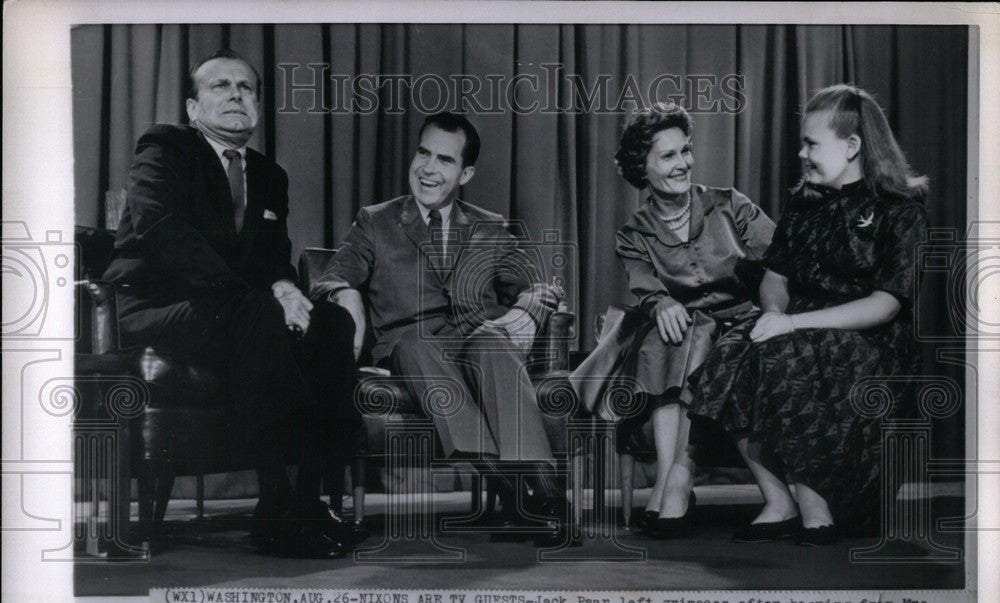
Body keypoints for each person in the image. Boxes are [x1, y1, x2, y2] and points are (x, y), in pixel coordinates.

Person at [104, 49, 359, 559]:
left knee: (329, 321)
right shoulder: (165, 146)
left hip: (234, 313)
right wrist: (260, 298)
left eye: (246, 87)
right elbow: (163, 232)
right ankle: (276, 504)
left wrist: (288, 289)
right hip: (159, 307)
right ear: (193, 108)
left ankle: (306, 503)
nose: (236, 94)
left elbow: (273, 258)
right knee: (261, 315)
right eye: (220, 86)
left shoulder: (269, 175)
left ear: (258, 108)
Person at [688, 84, 928, 545]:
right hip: (798, 322)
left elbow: (887, 303)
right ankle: (778, 501)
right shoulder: (805, 202)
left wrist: (793, 324)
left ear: (852, 146)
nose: (801, 153)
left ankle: (817, 509)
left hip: (869, 337)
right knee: (732, 351)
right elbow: (775, 276)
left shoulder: (900, 210)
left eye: (811, 144)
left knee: (785, 354)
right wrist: (774, 313)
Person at [311, 112, 566, 544]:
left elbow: (540, 287)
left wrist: (527, 310)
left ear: (465, 172)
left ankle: (549, 497)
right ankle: (514, 497)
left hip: (477, 346)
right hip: (411, 351)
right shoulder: (376, 221)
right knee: (416, 345)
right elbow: (328, 279)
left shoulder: (490, 226)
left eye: (444, 160)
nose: (428, 168)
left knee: (489, 341)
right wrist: (345, 295)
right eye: (423, 153)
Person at [570, 102, 774, 538]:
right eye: (667, 156)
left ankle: (669, 487)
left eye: (685, 151)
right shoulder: (634, 232)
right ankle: (672, 481)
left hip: (744, 326)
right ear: (641, 168)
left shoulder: (728, 204)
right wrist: (661, 303)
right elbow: (647, 289)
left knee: (686, 332)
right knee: (672, 330)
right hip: (686, 335)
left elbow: (783, 259)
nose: (683, 163)